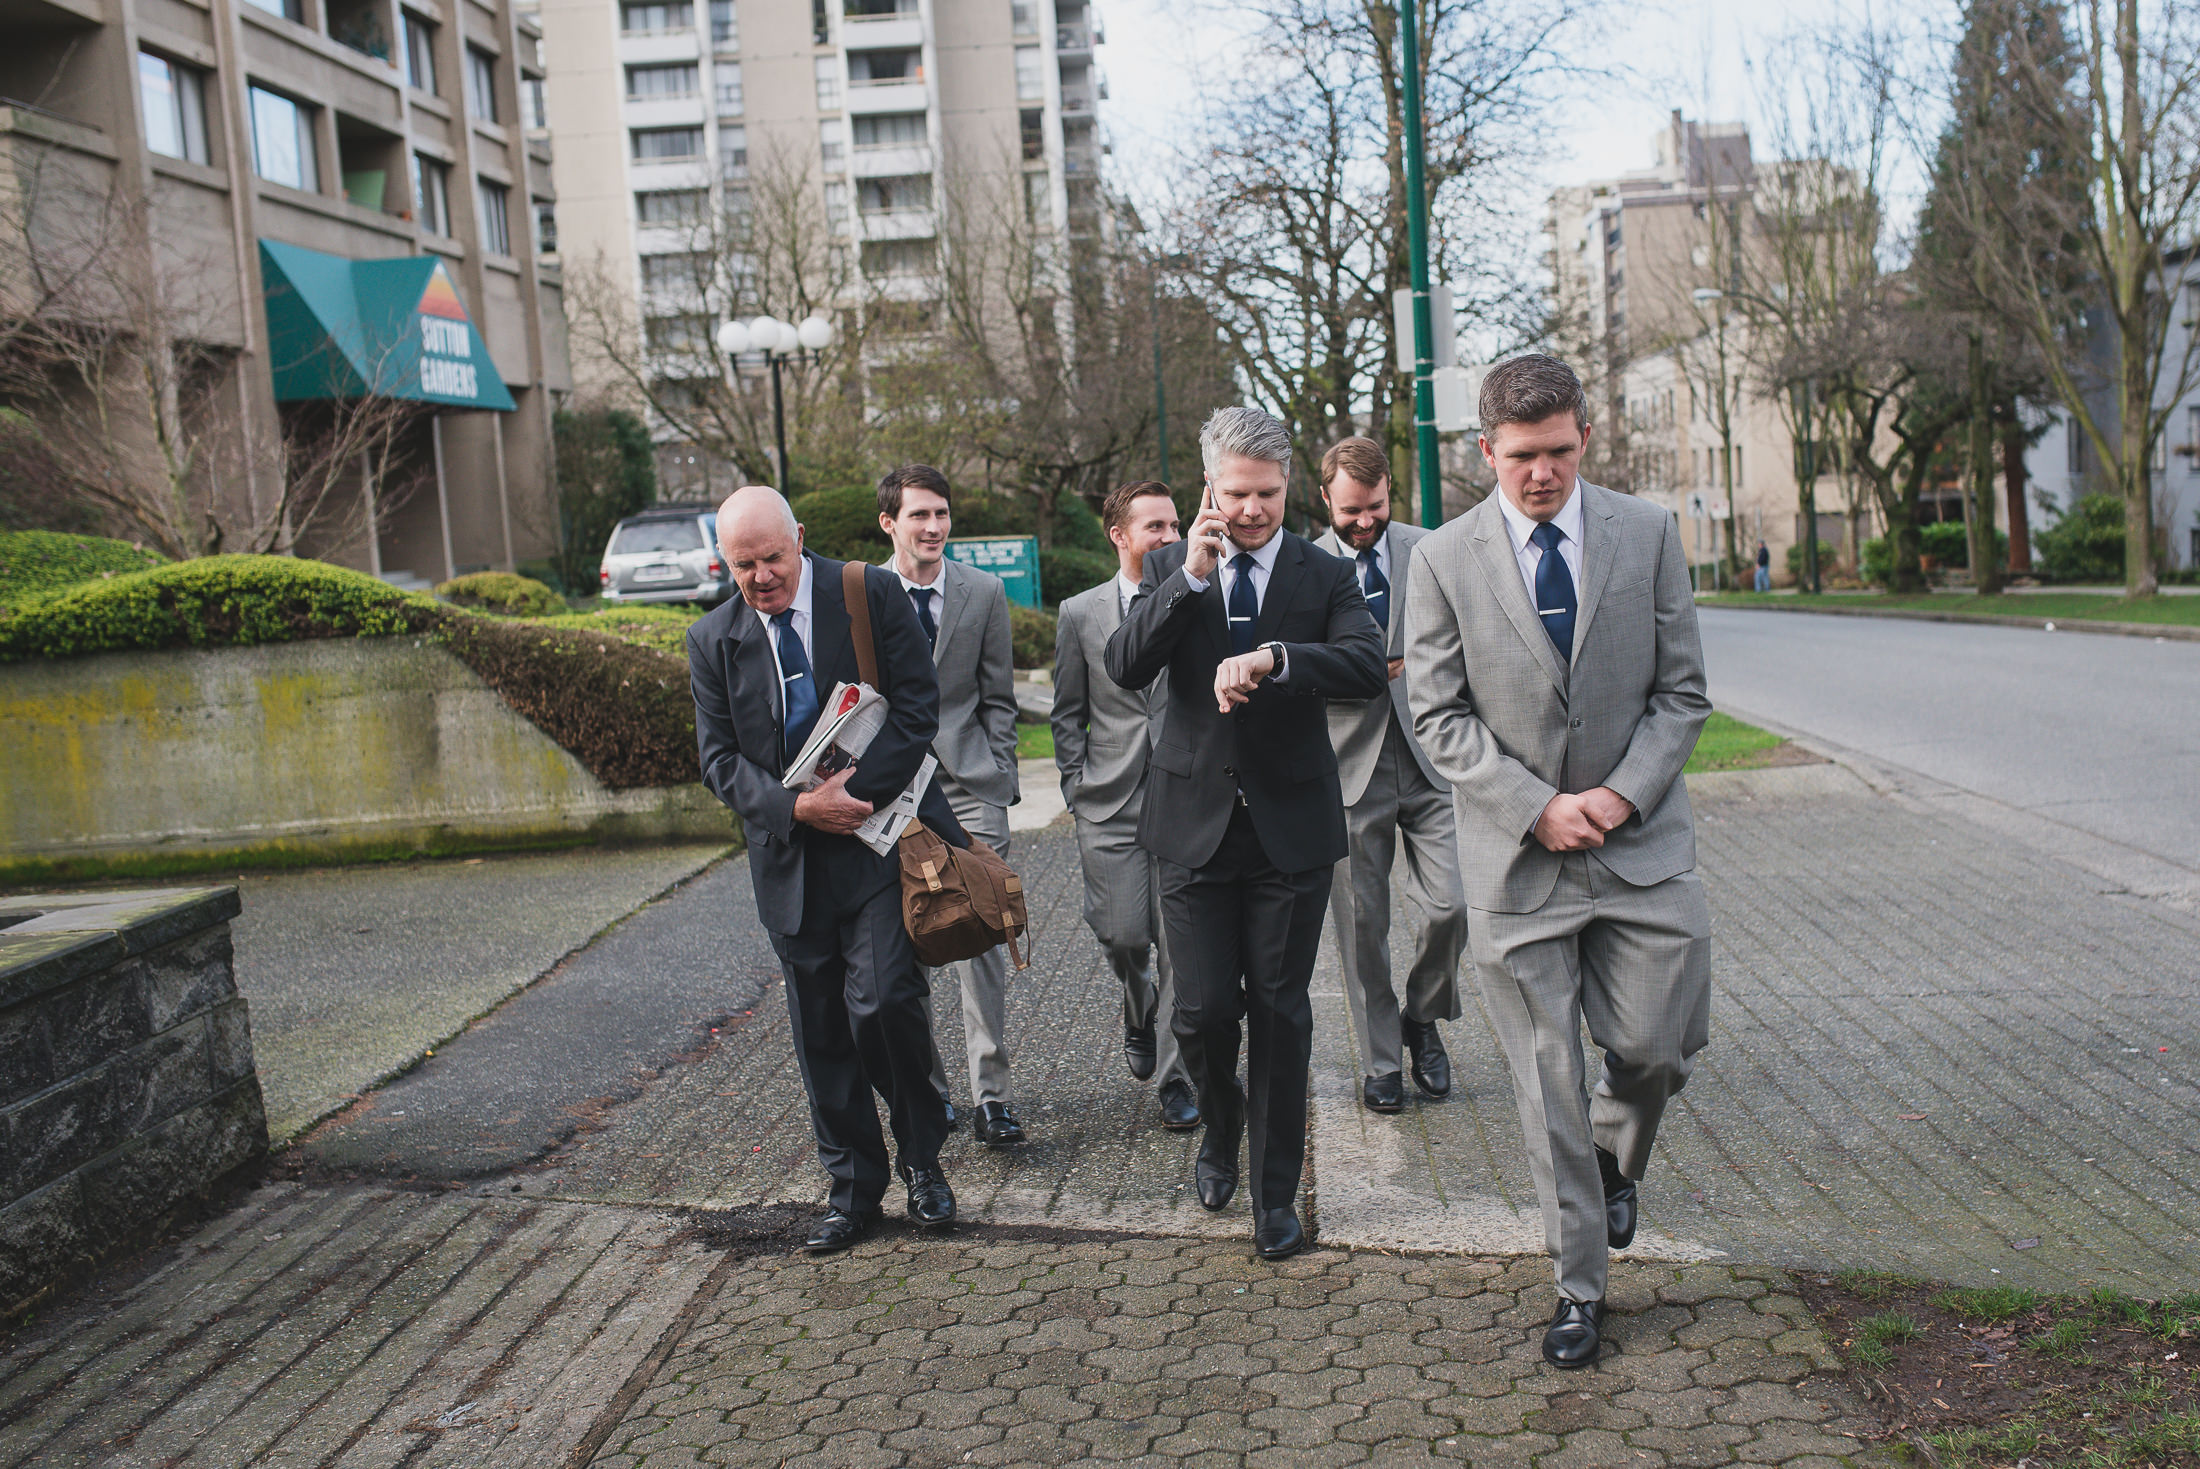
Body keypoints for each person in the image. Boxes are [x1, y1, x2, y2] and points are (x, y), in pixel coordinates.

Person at [1404, 354, 1712, 1369]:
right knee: (1547, 1088)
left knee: (1656, 1048)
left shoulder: (1649, 534)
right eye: (1523, 456)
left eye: (1561, 453)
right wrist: (1537, 808)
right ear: (1485, 450)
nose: (1543, 473)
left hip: (1640, 851)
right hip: (1517, 867)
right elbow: (1437, 717)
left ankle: (1617, 1160)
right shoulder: (1443, 560)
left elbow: (1681, 694)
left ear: (1585, 440)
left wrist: (1618, 795)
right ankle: (1579, 1283)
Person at [1105, 406, 1387, 1261]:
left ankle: (1274, 1196)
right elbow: (1124, 666)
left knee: (1280, 1011)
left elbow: (1368, 668)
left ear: (1288, 484)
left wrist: (1277, 657)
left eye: (1266, 493)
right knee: (1200, 1011)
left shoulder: (1322, 571)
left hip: (1289, 832)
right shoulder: (1167, 563)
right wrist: (1188, 577)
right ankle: (1217, 1130)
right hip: (1189, 829)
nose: (1253, 510)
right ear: (1208, 487)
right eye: (1236, 494)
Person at [687, 485, 969, 1253]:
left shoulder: (866, 591)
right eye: (743, 565)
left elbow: (916, 705)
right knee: (822, 1036)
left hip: (877, 849)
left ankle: (924, 1160)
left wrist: (858, 793)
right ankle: (853, 1190)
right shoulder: (711, 639)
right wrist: (797, 811)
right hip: (790, 867)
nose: (761, 577)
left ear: (799, 539)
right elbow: (718, 761)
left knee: (884, 1005)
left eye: (772, 558)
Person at [1312, 438, 1467, 1115]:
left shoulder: (1430, 547)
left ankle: (1423, 1015)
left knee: (1454, 904)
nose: (1365, 522)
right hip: (1348, 764)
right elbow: (1292, 661)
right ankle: (1381, 1060)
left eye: (1375, 507)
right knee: (1361, 922)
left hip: (1433, 752)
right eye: (1351, 510)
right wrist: (1366, 666)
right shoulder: (1304, 564)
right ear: (1325, 499)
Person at [878, 464, 1029, 1148]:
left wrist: (1001, 776)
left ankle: (991, 1094)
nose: (934, 526)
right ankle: (931, 1094)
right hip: (891, 795)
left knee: (983, 937)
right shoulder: (865, 592)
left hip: (971, 789)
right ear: (891, 522)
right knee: (906, 943)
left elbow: (1000, 695)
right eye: (919, 515)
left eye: (941, 513)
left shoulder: (983, 591)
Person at [1052, 481, 1200, 1132]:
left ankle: (1177, 1078)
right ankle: (1137, 1007)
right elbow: (1066, 711)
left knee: (1181, 949)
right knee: (1122, 936)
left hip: (1186, 798)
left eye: (1176, 524)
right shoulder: (1080, 613)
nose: (1171, 536)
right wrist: (1073, 786)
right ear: (1120, 535)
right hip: (1107, 799)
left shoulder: (1200, 597)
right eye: (1157, 527)